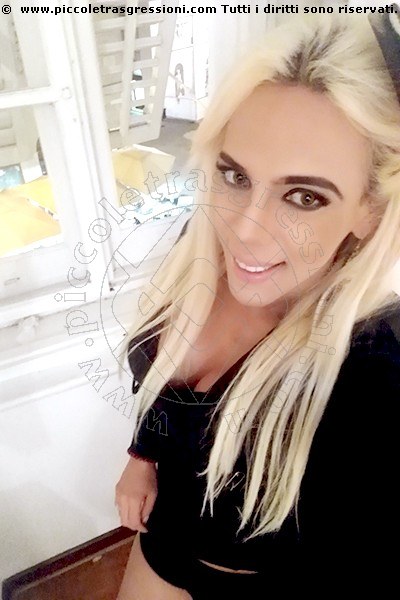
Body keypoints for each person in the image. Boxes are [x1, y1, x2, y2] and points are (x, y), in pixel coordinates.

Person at [115, 12, 400, 600]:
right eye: (236, 176)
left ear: (369, 210)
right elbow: (161, 382)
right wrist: (142, 457)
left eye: (304, 196)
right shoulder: (199, 254)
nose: (245, 231)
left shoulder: (378, 364)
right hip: (162, 543)